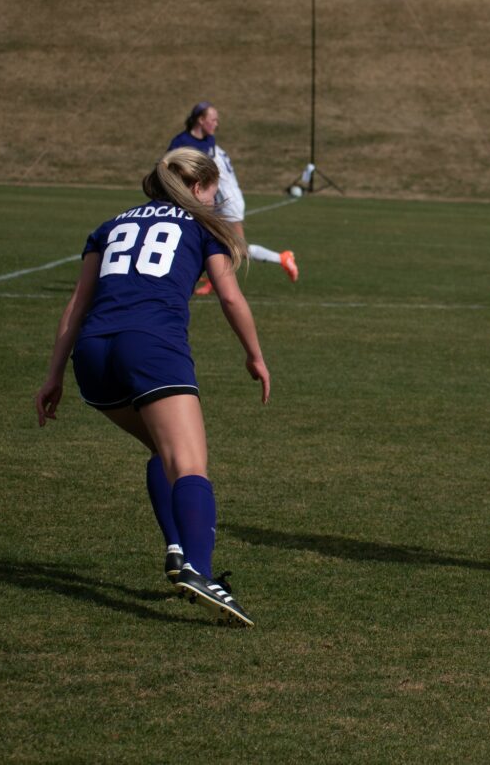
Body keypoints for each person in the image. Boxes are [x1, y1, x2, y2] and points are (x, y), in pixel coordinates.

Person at [34, 148, 270, 627]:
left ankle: (178, 547)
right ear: (200, 187)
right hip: (151, 347)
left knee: (165, 454)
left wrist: (54, 374)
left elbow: (77, 304)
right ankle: (200, 572)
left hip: (93, 355)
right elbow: (229, 295)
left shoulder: (111, 225)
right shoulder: (203, 226)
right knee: (189, 463)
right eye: (213, 190)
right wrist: (255, 355)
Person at [168, 102, 299, 295]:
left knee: (238, 248)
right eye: (213, 119)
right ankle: (210, 280)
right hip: (212, 199)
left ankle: (282, 258)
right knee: (208, 240)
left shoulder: (207, 142)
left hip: (226, 200)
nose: (216, 124)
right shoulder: (186, 142)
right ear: (200, 120)